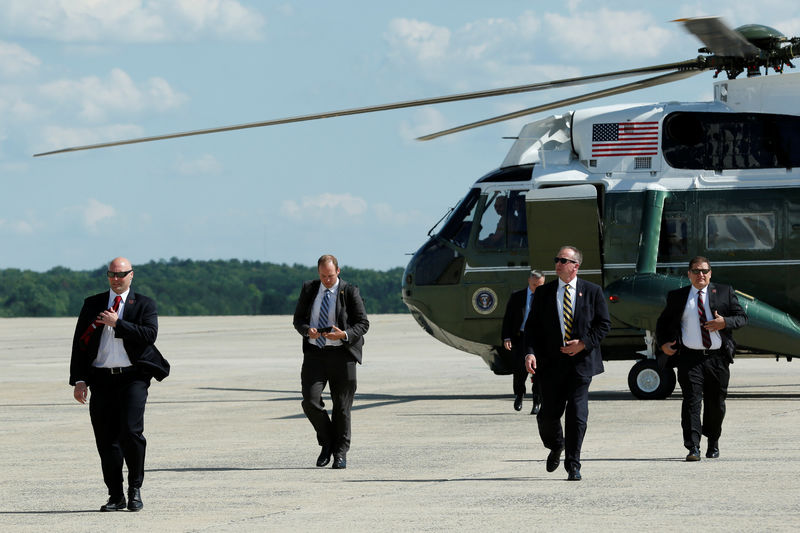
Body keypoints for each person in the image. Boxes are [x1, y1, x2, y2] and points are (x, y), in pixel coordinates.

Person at [69, 257, 170, 512]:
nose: (116, 279)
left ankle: (135, 488)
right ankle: (115, 495)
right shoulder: (93, 304)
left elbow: (149, 335)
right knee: (106, 440)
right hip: (101, 379)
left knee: (130, 432)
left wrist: (118, 324)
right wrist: (80, 380)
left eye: (122, 274)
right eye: (112, 274)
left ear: (131, 275)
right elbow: (79, 344)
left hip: (133, 378)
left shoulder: (144, 304)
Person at [524, 246, 610, 481]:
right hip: (551, 364)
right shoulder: (544, 293)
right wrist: (529, 353)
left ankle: (574, 464)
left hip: (581, 363)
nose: (558, 264)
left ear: (575, 266)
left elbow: (603, 325)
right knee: (548, 416)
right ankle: (557, 445)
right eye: (557, 259)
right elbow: (531, 329)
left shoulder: (592, 292)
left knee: (577, 414)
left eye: (563, 260)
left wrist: (583, 343)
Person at [656, 256, 747, 461]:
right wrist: (663, 344)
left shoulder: (724, 292)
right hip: (689, 358)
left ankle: (713, 442)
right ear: (689, 274)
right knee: (691, 402)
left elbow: (742, 318)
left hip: (717, 359)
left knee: (716, 403)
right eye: (696, 271)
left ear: (710, 273)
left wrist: (725, 322)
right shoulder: (677, 296)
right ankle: (693, 447)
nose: (701, 275)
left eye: (704, 271)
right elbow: (662, 324)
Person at [293, 254, 369, 469]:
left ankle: (340, 453)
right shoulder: (309, 289)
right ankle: (327, 443)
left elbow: (363, 323)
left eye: (330, 275)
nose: (326, 280)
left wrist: (344, 334)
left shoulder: (350, 291)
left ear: (338, 271)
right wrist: (308, 330)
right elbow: (298, 319)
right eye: (323, 276)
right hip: (315, 354)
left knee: (342, 408)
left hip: (342, 355)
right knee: (310, 401)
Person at [501, 270, 544, 413]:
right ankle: (519, 394)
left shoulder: (547, 296)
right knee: (519, 370)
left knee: (538, 371)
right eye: (534, 285)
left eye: (540, 285)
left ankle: (536, 401)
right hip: (521, 337)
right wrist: (506, 337)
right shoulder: (517, 296)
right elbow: (508, 319)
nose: (537, 288)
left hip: (539, 338)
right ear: (528, 281)